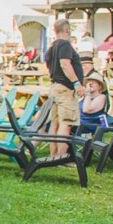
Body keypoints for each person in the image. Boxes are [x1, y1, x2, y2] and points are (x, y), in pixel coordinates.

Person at [45, 18, 85, 156]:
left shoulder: (52, 46)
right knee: (66, 123)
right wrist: (77, 83)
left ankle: (53, 155)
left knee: (54, 124)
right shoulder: (65, 45)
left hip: (55, 87)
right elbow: (65, 64)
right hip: (65, 89)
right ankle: (61, 157)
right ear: (67, 30)